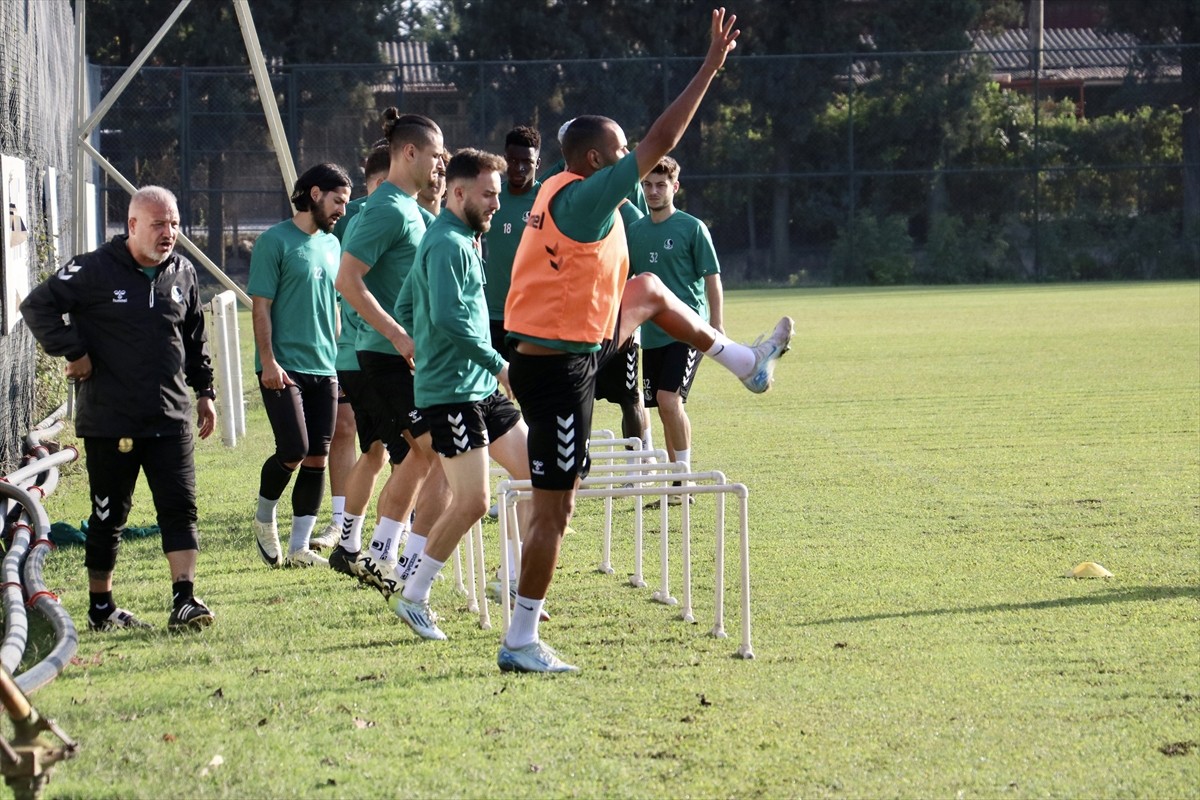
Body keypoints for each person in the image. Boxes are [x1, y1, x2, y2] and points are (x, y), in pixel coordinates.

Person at [501, 8, 794, 673]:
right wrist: (708, 70)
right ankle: (520, 639)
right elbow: (661, 139)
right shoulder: (580, 197)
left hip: (575, 344)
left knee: (655, 291)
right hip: (558, 373)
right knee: (556, 515)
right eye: (625, 150)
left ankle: (745, 363)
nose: (640, 158)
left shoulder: (568, 192)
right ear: (601, 160)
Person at [20, 185, 217, 631]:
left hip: (170, 418)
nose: (169, 233)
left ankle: (184, 599)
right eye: (158, 224)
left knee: (180, 510)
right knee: (109, 517)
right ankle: (101, 608)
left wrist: (205, 392)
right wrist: (73, 351)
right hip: (111, 421)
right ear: (132, 226)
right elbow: (38, 306)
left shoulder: (183, 272)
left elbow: (194, 339)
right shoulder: (93, 269)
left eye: (174, 224)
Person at [390, 148, 533, 639]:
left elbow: (407, 302)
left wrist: (419, 343)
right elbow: (448, 318)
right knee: (471, 501)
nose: (497, 202)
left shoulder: (459, 237)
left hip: (476, 388)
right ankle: (414, 595)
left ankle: (511, 578)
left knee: (542, 473)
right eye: (490, 194)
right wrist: (498, 365)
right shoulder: (449, 243)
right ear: (458, 192)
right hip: (453, 394)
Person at [335, 110, 452, 593]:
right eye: (435, 155)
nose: (440, 163)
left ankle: (384, 556)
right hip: (387, 356)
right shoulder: (384, 208)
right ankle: (397, 563)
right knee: (441, 456)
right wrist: (398, 335)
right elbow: (347, 280)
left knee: (422, 459)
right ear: (410, 153)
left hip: (405, 356)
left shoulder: (409, 207)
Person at [249, 163, 352, 569]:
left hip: (325, 367)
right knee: (293, 449)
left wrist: (340, 365)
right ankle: (263, 518)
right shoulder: (274, 241)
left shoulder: (332, 245)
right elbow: (261, 309)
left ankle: (299, 548)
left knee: (317, 457)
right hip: (283, 366)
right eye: (337, 201)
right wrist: (269, 361)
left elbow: (336, 310)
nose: (342, 210)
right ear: (314, 194)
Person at [627, 156, 723, 504]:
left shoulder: (691, 227)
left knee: (670, 400)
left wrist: (717, 324)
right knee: (662, 407)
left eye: (660, 185)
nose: (653, 191)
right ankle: (674, 485)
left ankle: (683, 482)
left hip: (687, 330)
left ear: (674, 187)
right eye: (648, 185)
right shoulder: (634, 231)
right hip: (652, 336)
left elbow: (712, 276)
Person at [326, 146, 396, 578]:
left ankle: (350, 541)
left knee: (376, 451)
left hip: (352, 352)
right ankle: (387, 546)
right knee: (415, 455)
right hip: (375, 353)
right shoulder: (385, 214)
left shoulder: (356, 217)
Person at [483, 125, 541, 360]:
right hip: (490, 312)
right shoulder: (490, 198)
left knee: (533, 391)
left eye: (526, 161)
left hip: (532, 315)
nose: (518, 168)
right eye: (512, 160)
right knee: (486, 391)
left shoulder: (548, 201)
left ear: (538, 161)